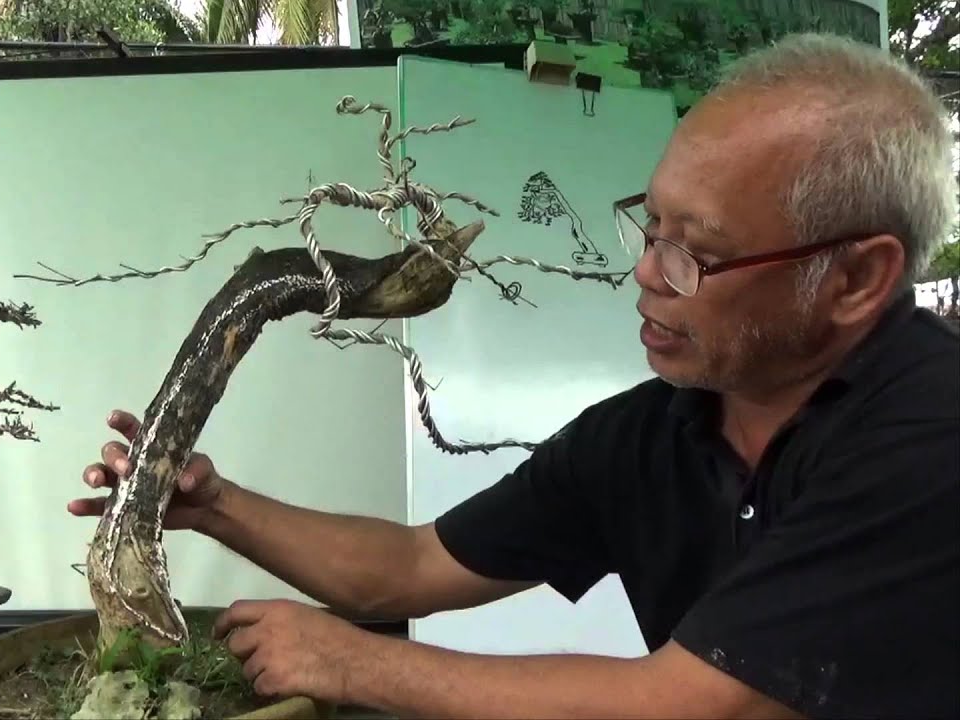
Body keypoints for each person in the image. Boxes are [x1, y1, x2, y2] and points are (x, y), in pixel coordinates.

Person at [71, 32, 960, 719]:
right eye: (651, 226)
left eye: (696, 252)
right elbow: (410, 567)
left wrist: (356, 662)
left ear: (854, 279)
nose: (646, 271)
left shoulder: (932, 435)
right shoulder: (654, 432)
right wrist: (215, 505)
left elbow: (700, 704)